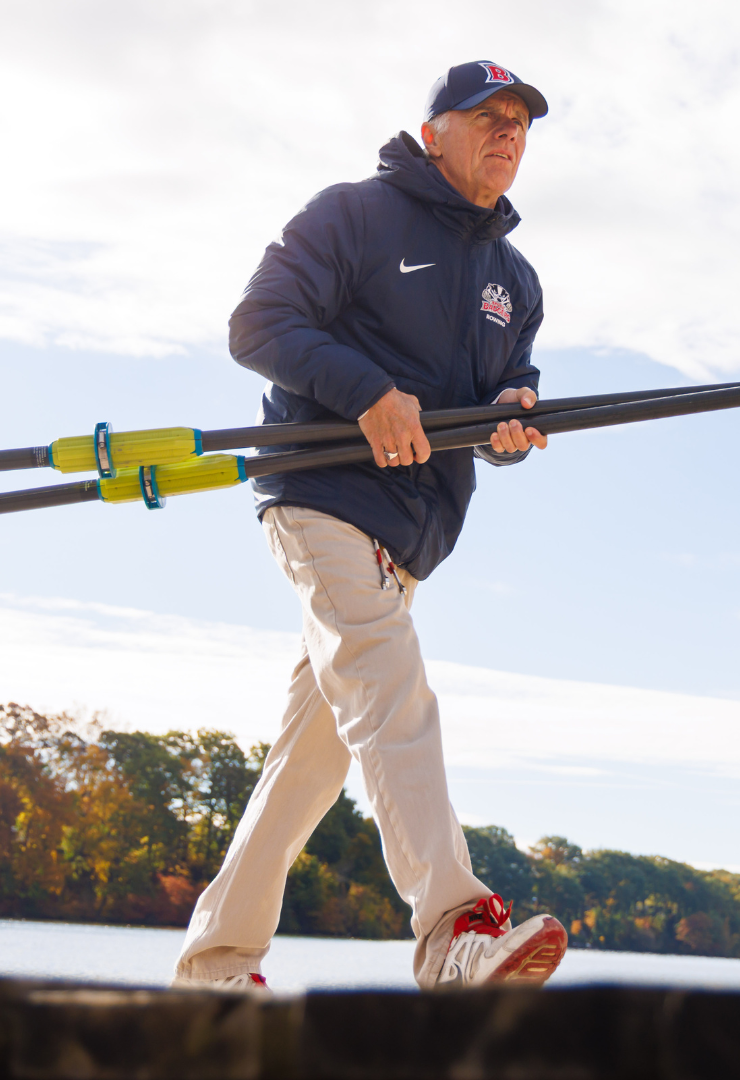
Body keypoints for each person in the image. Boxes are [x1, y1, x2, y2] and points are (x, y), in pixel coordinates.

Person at [174, 61, 562, 992]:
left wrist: (512, 415)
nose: (508, 133)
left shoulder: (516, 279)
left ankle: (215, 969)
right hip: (322, 496)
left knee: (310, 765)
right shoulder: (355, 213)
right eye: (487, 117)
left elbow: (509, 392)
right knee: (394, 695)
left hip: (414, 538)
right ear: (434, 132)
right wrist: (371, 395)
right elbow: (258, 323)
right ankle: (452, 931)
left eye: (521, 122)